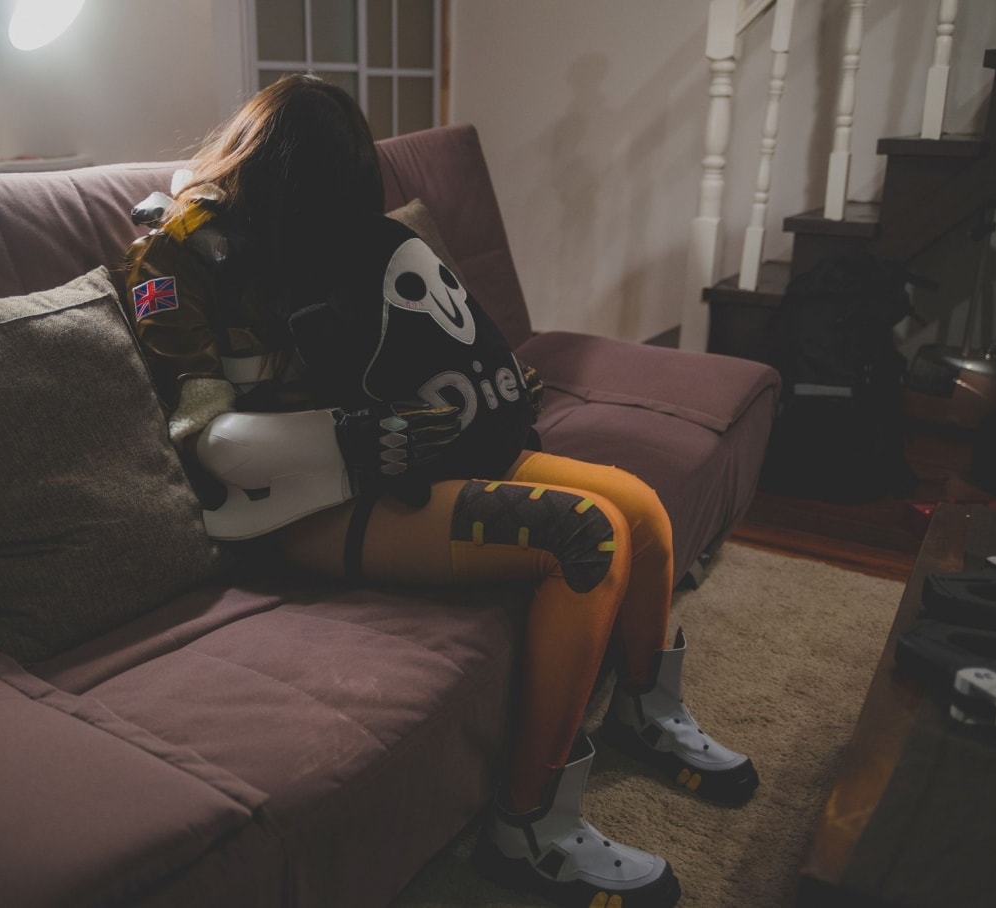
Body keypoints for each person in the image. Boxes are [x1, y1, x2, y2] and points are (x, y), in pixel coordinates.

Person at [122, 73, 757, 908]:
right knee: (586, 538)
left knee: (638, 508)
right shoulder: (177, 255)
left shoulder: (332, 235)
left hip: (398, 451)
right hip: (300, 503)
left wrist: (480, 390)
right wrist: (350, 435)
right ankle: (528, 825)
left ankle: (646, 708)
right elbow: (211, 441)